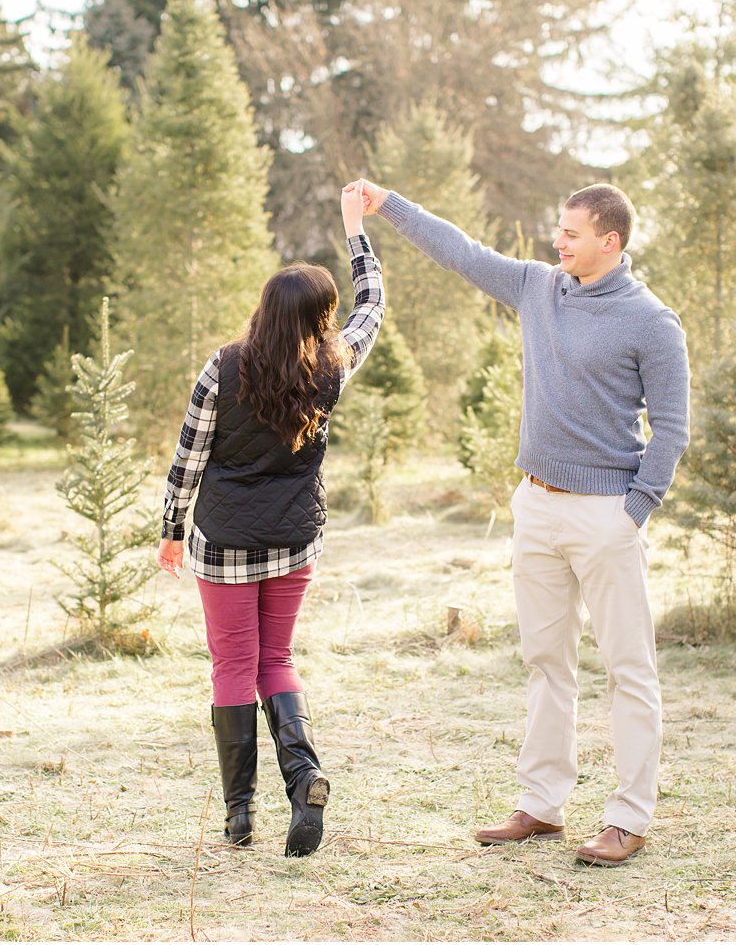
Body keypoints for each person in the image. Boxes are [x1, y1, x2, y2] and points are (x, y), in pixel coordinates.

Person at [346, 178, 690, 867]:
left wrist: (634, 511)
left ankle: (628, 815)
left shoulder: (651, 321)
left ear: (609, 241)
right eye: (558, 230)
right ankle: (541, 803)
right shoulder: (539, 287)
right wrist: (389, 204)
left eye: (571, 232)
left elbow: (672, 427)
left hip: (606, 515)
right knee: (545, 661)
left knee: (628, 666)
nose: (556, 241)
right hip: (535, 504)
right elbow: (463, 253)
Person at [157, 183, 385, 858]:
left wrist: (172, 528)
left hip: (224, 543)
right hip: (293, 542)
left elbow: (188, 454)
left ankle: (240, 815)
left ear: (264, 309)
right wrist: (354, 230)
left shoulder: (224, 366)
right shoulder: (334, 365)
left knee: (233, 662)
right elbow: (372, 304)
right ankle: (304, 773)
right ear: (320, 317)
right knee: (276, 659)